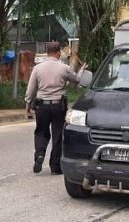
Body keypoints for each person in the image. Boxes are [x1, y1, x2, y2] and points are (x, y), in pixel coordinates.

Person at [24, 42, 84, 174]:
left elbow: (30, 90)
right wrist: (81, 71)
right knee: (58, 134)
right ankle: (55, 166)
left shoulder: (37, 68)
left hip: (41, 106)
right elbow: (77, 80)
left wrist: (28, 105)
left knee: (41, 132)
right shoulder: (64, 68)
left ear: (46, 53)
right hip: (58, 105)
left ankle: (39, 154)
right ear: (58, 53)